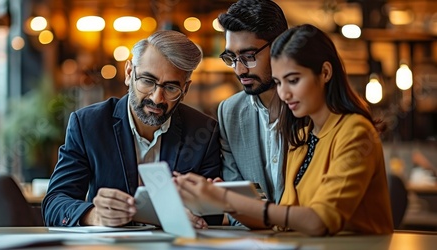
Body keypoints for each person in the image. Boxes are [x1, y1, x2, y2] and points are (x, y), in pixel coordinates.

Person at [176, 24, 393, 236]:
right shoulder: (302, 136)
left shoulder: (355, 132)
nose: (284, 93)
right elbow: (280, 218)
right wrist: (215, 196)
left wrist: (228, 200)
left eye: (293, 80)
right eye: (279, 83)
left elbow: (321, 220)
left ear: (325, 72)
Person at [42, 30, 221, 227]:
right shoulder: (88, 124)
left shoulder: (204, 131)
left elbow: (212, 215)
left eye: (171, 88)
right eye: (147, 81)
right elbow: (55, 203)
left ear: (185, 89)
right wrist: (94, 215)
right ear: (129, 73)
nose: (156, 98)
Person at [217, 0, 288, 206]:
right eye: (231, 57)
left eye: (249, 57)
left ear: (280, 47)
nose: (240, 71)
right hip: (253, 235)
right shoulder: (229, 112)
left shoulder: (311, 107)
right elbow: (237, 205)